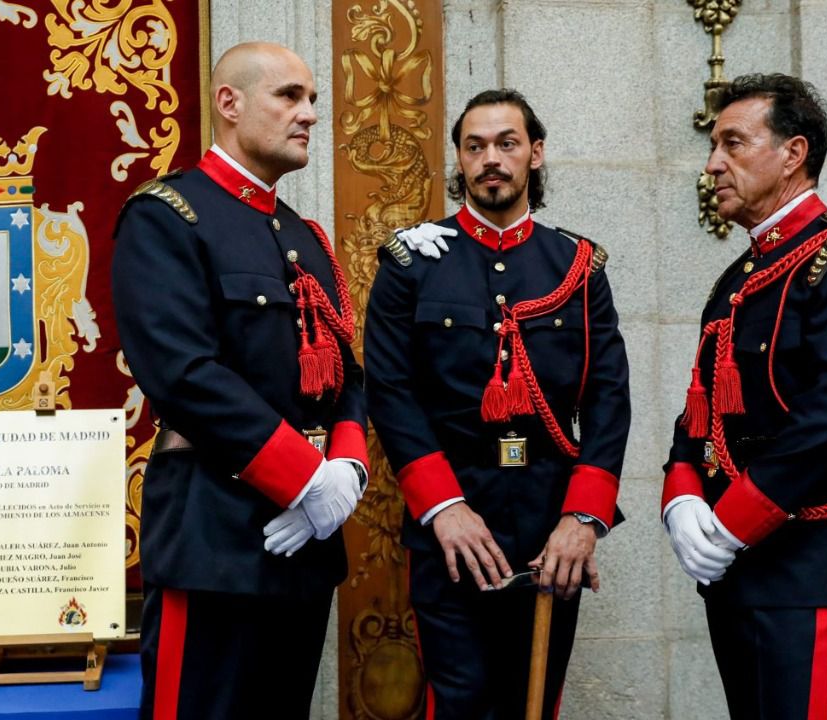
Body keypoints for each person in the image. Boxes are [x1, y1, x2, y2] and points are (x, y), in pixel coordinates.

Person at [111, 42, 368, 720]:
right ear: (229, 103)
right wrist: (304, 477)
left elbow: (345, 372)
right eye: (289, 96)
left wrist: (345, 473)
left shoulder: (303, 236)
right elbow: (183, 374)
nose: (309, 113)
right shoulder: (168, 216)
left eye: (313, 98)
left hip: (306, 544)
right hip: (214, 539)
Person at [364, 88, 631, 719]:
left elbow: (608, 396)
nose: (491, 158)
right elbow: (391, 391)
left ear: (535, 154)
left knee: (535, 703)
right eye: (475, 146)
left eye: (507, 144)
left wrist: (583, 520)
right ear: (458, 160)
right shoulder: (412, 264)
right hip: (453, 529)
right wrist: (443, 508)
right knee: (460, 704)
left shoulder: (577, 265)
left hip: (551, 529)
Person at [660, 73, 827, 719]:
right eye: (714, 146)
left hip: (803, 562)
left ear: (793, 154)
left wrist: (730, 524)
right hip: (734, 567)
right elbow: (703, 403)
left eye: (733, 143)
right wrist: (682, 491)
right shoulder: (741, 275)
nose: (712, 163)